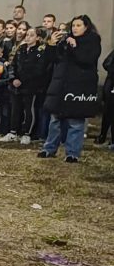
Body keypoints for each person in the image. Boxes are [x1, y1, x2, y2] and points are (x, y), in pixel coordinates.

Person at [39, 16, 102, 163]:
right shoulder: (66, 40)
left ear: (86, 27)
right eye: (73, 25)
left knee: (75, 121)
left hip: (80, 87)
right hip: (61, 85)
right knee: (55, 120)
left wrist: (75, 47)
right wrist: (52, 45)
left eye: (78, 25)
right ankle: (49, 149)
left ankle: (72, 153)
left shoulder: (92, 41)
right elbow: (52, 60)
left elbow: (86, 60)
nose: (75, 28)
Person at [0, 28, 53, 145]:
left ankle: (27, 133)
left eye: (31, 35)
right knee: (15, 109)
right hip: (16, 86)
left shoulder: (40, 51)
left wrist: (22, 80)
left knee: (29, 110)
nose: (27, 37)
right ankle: (13, 132)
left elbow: (39, 69)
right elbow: (13, 65)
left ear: (37, 38)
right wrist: (13, 78)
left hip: (31, 86)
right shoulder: (21, 49)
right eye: (27, 35)